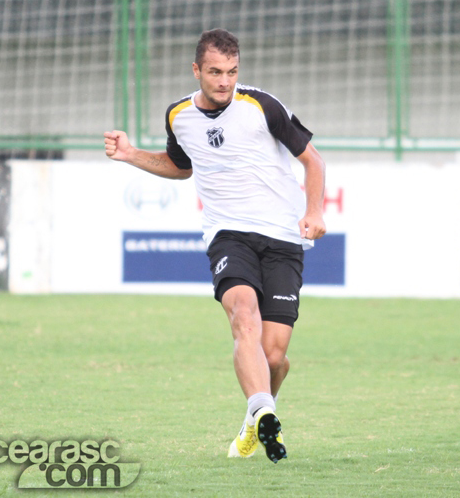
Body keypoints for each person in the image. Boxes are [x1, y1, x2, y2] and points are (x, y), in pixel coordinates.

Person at [104, 28, 326, 462]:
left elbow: (312, 160)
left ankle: (253, 421)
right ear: (196, 70)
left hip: (282, 237)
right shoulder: (179, 116)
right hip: (228, 234)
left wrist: (314, 211)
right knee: (244, 316)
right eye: (215, 72)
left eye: (232, 72)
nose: (225, 81)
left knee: (275, 355)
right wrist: (131, 155)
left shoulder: (262, 106)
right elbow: (179, 167)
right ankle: (262, 408)